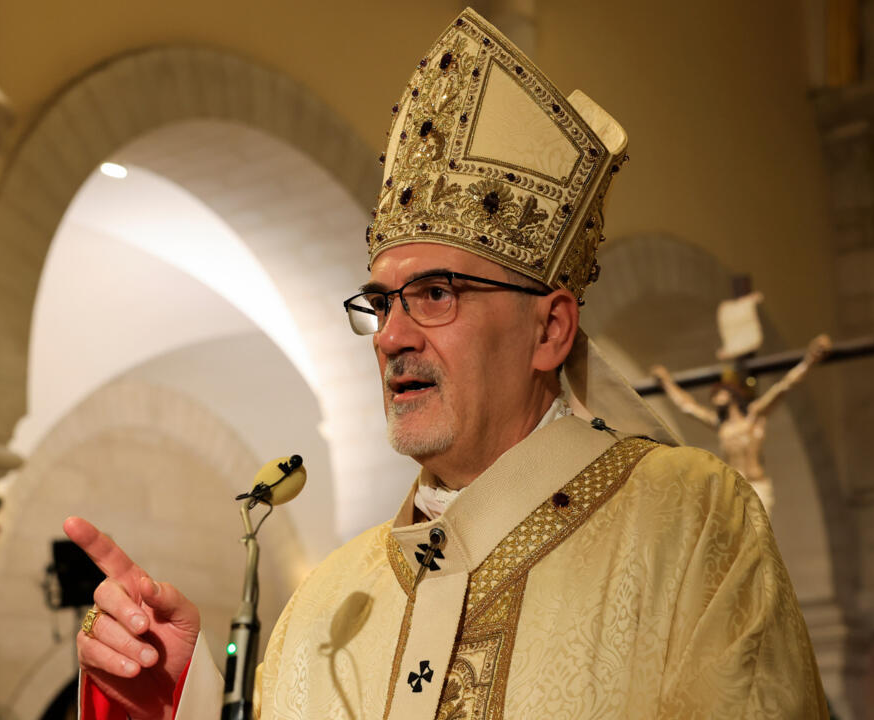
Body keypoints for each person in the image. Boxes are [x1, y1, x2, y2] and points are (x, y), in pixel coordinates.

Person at [67, 8, 829, 719]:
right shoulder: (326, 607)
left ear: (550, 330)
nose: (390, 336)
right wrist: (178, 700)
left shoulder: (689, 523)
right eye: (381, 302)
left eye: (436, 293)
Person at [650, 333, 833, 513]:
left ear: (731, 394)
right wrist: (667, 383)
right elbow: (688, 407)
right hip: (734, 486)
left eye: (719, 393)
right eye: (714, 396)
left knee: (758, 528)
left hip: (756, 485)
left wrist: (809, 360)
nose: (715, 398)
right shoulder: (721, 424)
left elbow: (783, 387)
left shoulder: (753, 415)